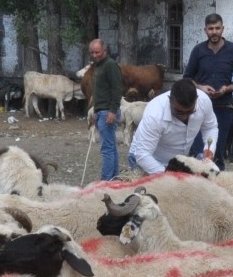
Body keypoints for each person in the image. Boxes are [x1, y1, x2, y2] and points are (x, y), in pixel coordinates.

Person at [182, 13, 233, 168]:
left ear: (223, 29)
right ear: (205, 30)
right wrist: (200, 87)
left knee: (217, 153)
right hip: (200, 108)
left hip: (224, 108)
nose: (214, 32)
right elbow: (187, 77)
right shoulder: (198, 50)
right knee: (200, 153)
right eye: (211, 29)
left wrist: (227, 88)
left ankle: (218, 187)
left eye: (217, 28)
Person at [130, 78, 216, 174]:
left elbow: (210, 127)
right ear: (170, 99)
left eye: (190, 111)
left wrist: (209, 150)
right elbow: (143, 154)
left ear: (196, 99)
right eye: (178, 112)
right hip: (145, 160)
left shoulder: (204, 101)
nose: (184, 116)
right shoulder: (155, 114)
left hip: (178, 163)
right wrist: (168, 176)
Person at [87, 39, 123, 181]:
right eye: (92, 52)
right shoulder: (98, 66)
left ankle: (106, 180)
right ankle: (113, 177)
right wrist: (95, 111)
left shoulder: (110, 65)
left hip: (108, 111)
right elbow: (99, 91)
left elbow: (117, 88)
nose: (94, 55)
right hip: (101, 111)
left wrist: (113, 111)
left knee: (107, 148)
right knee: (111, 146)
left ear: (104, 51)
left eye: (97, 52)